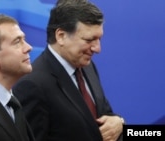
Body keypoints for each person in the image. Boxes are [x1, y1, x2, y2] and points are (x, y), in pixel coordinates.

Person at [12, 2, 124, 141]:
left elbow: (103, 115)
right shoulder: (32, 84)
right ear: (61, 36)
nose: (97, 48)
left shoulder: (88, 67)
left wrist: (118, 122)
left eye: (99, 39)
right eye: (89, 40)